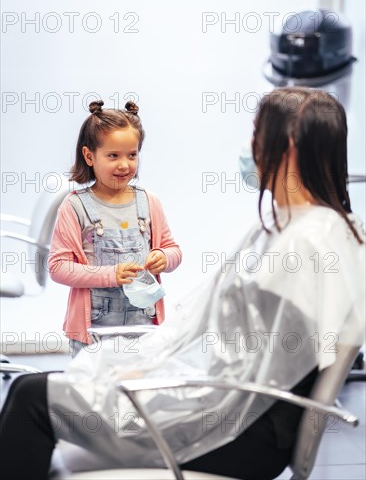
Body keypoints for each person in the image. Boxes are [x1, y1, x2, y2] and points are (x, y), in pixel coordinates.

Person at [0, 88, 364, 480]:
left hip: (232, 430)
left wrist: (156, 374)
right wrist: (149, 362)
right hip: (236, 417)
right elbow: (237, 342)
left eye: (257, 133)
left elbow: (254, 365)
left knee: (30, 397)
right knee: (44, 389)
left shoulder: (303, 242)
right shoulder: (306, 229)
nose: (249, 147)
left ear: (287, 147)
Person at [48, 99, 182, 356]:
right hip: (94, 333)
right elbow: (58, 267)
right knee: (93, 393)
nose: (124, 165)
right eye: (113, 156)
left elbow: (173, 250)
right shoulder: (74, 206)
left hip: (144, 330)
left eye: (132, 155)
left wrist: (164, 258)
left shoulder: (149, 202)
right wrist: (110, 275)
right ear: (89, 156)